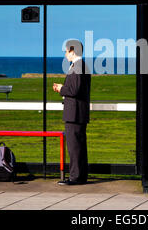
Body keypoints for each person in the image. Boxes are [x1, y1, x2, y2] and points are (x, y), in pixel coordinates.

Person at [53, 39, 91, 185]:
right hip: (79, 113)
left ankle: (75, 177)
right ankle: (81, 176)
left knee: (74, 147)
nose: (65, 54)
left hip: (74, 114)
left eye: (66, 51)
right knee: (79, 146)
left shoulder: (78, 66)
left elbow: (74, 90)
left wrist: (61, 89)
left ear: (72, 51)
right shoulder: (81, 66)